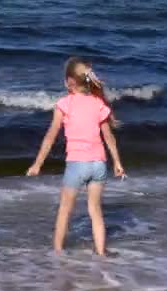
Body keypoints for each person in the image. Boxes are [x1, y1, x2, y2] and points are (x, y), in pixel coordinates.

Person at [26, 57, 125, 256]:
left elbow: (50, 137)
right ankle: (101, 252)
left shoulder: (64, 104)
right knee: (96, 211)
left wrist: (37, 164)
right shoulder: (98, 103)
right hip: (99, 164)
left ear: (69, 82)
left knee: (64, 211)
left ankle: (58, 253)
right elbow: (108, 137)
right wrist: (117, 163)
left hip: (77, 165)